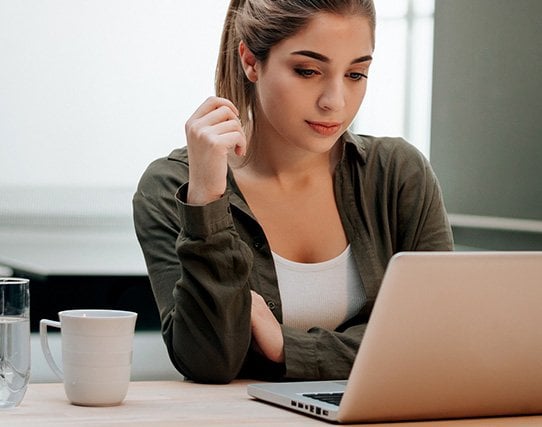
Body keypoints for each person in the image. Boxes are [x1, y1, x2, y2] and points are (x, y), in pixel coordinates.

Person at [132, 0, 453, 384]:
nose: (335, 101)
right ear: (251, 61)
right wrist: (207, 199)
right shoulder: (173, 186)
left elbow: (435, 340)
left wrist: (285, 346)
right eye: (308, 71)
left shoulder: (398, 172)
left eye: (355, 74)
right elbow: (210, 361)